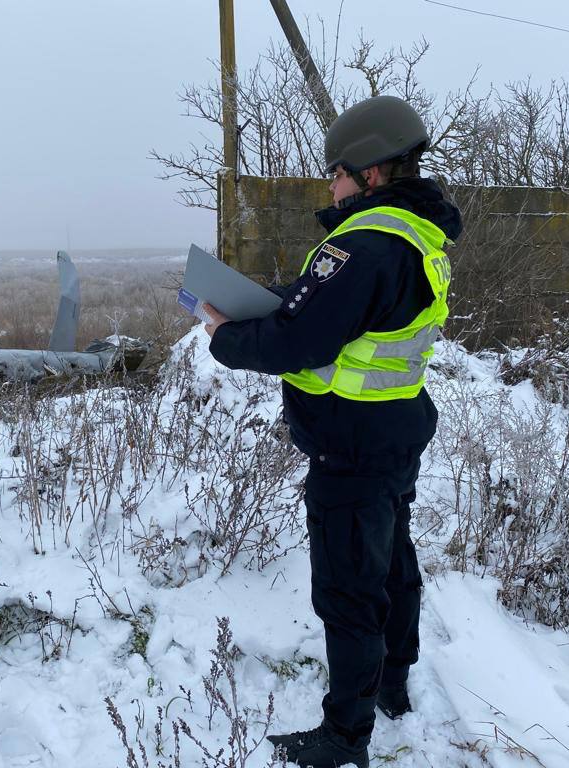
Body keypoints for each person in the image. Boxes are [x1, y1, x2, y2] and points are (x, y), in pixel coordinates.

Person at [203, 95, 461, 768]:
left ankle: (344, 738)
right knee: (394, 560)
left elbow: (301, 340)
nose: (331, 185)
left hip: (352, 445)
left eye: (337, 173)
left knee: (349, 589)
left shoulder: (365, 243)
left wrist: (225, 336)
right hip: (395, 429)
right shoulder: (414, 237)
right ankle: (394, 682)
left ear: (370, 172)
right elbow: (339, 316)